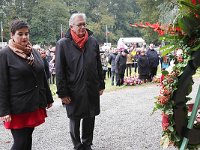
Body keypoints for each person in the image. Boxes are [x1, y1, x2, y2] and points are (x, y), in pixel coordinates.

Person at [0, 20, 54, 150]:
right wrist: (3, 110)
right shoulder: (4, 54)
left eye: (26, 33)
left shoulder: (34, 52)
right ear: (12, 35)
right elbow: (2, 84)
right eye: (20, 34)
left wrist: (48, 97)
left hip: (34, 103)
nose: (24, 37)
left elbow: (42, 76)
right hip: (17, 107)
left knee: (28, 137)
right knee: (20, 142)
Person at [55, 13, 105, 150]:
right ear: (71, 26)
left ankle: (87, 144)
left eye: (84, 24)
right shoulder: (63, 44)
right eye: (79, 25)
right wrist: (62, 93)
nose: (83, 27)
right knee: (74, 118)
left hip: (91, 87)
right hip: (73, 89)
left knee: (90, 116)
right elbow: (59, 71)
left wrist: (101, 84)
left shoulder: (93, 41)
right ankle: (77, 145)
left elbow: (98, 65)